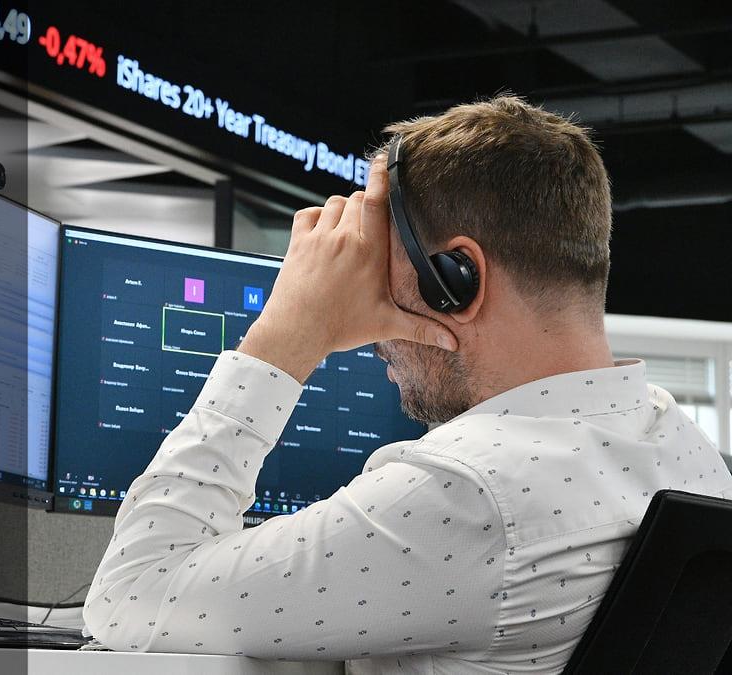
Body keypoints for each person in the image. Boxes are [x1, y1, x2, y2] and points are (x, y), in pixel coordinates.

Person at [82, 95, 732, 673]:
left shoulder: (470, 492)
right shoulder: (686, 453)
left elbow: (130, 594)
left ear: (459, 279)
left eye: (380, 280)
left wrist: (284, 335)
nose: (369, 333)